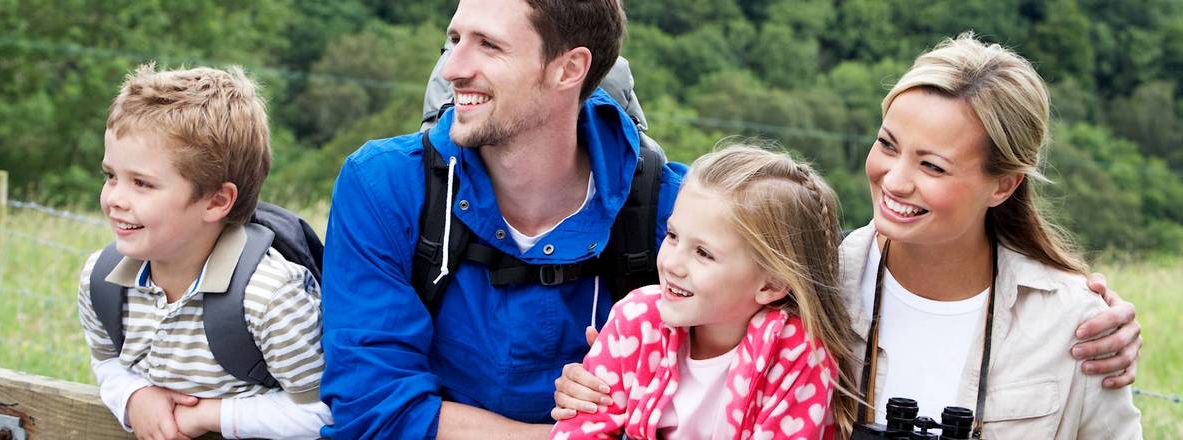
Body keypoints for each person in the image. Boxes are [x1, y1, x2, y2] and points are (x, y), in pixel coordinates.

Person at [552, 34, 1144, 438]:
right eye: (887, 145)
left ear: (1003, 185)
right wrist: (597, 389)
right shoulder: (809, 288)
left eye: (932, 166)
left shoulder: (1075, 324)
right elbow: (673, 354)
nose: (896, 179)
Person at [318, 0, 685, 438]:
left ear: (569, 69)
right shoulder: (386, 185)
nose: (452, 68)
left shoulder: (675, 213)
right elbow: (373, 407)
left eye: (489, 45)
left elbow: (728, 392)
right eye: (454, 40)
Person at [77, 64, 330, 440]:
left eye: (142, 184)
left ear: (216, 201)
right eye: (111, 175)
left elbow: (323, 412)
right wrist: (134, 395)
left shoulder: (270, 298)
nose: (114, 198)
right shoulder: (102, 279)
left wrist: (210, 416)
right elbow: (108, 363)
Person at [550, 145, 854, 439]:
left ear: (770, 285)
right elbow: (580, 428)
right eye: (672, 236)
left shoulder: (799, 354)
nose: (672, 263)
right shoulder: (637, 320)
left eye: (703, 253)